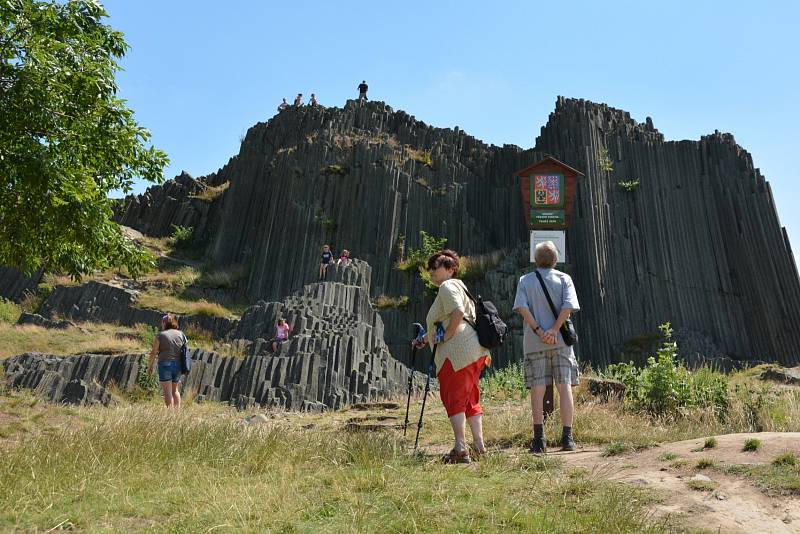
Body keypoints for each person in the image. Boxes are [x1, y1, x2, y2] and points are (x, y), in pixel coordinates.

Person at [413, 249, 490, 463]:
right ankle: (478, 445)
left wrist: (447, 336)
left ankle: (460, 448)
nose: (431, 271)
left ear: (450, 269)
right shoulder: (460, 287)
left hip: (457, 354)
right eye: (430, 268)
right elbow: (451, 319)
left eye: (435, 267)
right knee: (469, 399)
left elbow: (457, 312)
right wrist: (427, 338)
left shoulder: (448, 286)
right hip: (474, 352)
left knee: (454, 398)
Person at [513, 241, 580, 453]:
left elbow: (521, 307)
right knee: (564, 386)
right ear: (554, 260)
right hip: (560, 341)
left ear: (536, 259)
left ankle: (539, 439)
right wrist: (554, 329)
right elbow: (568, 306)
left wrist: (539, 331)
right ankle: (567, 438)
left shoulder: (525, 280)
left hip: (534, 343)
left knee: (537, 389)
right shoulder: (564, 279)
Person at [147, 313, 188, 408]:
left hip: (165, 364)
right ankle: (177, 415)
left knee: (167, 391)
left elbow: (153, 352)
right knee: (175, 390)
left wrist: (150, 366)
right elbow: (185, 350)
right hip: (178, 365)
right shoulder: (181, 334)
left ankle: (170, 416)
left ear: (164, 323)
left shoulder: (160, 335)